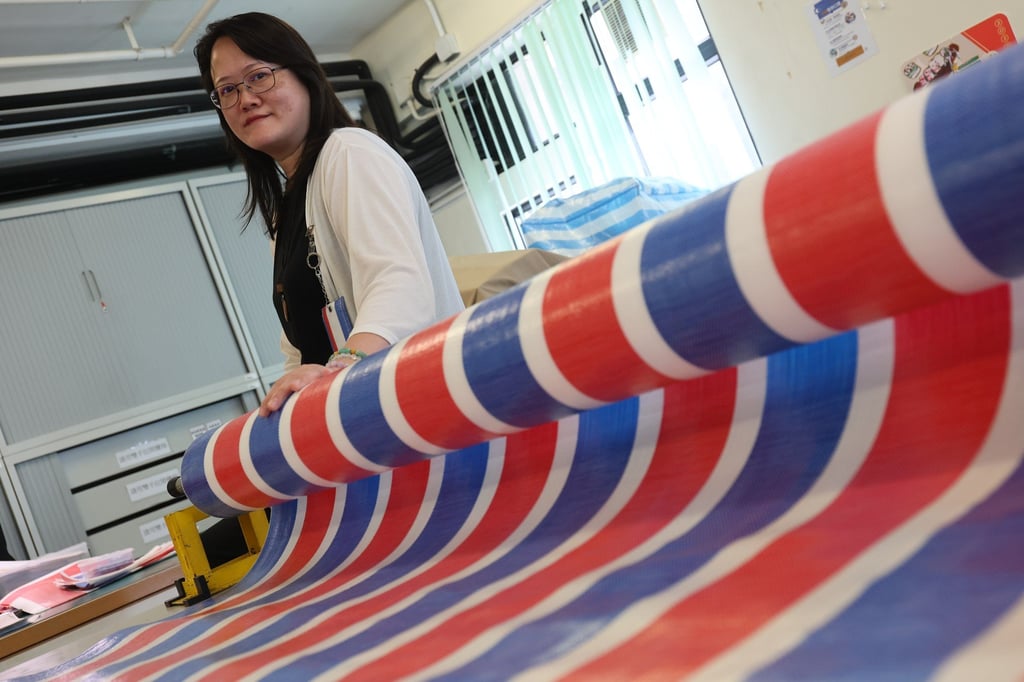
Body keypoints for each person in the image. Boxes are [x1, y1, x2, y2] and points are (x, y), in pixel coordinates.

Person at [194, 12, 464, 419]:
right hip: (364, 420)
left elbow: (398, 284)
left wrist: (343, 368)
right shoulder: (287, 210)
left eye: (259, 76)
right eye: (227, 89)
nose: (245, 99)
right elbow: (300, 350)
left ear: (303, 75)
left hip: (426, 411)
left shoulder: (348, 152)